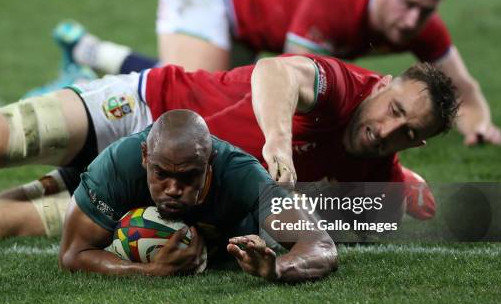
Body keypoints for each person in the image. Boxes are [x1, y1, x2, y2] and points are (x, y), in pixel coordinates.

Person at [0, 53, 451, 237]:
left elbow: (368, 215)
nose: (387, 130)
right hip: (145, 106)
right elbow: (276, 73)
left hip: (159, 186)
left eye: (408, 132)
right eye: (394, 110)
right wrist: (277, 137)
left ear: (418, 144)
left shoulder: (381, 178)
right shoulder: (342, 86)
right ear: (382, 85)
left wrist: (403, 197)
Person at [35, 0, 501, 146]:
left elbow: (465, 88)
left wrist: (480, 126)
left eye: (426, 10)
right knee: (186, 99)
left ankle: (86, 51)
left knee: (210, 93)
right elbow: (294, 84)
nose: (413, 19)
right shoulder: (334, 2)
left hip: (251, 12)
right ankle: (85, 76)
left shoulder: (421, 22)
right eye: (407, 4)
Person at [58, 109, 338, 281]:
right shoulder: (118, 164)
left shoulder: (241, 174)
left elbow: (320, 246)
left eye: (188, 176)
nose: (173, 189)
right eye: (161, 174)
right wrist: (150, 272)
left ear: (209, 162)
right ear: (145, 157)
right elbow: (73, 254)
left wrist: (276, 268)